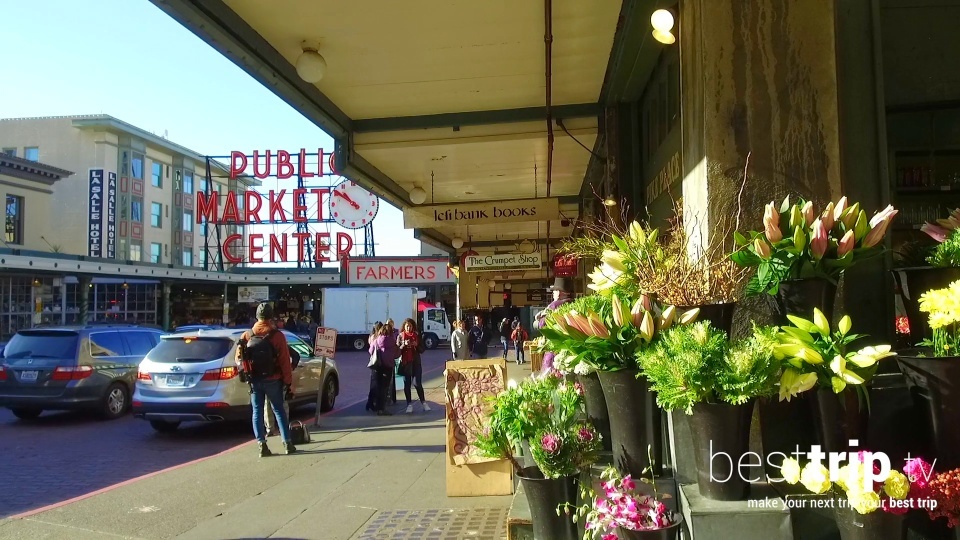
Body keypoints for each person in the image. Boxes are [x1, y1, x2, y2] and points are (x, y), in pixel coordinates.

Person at [236, 303, 297, 457]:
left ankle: (261, 445)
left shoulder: (247, 335)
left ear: (257, 317)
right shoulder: (277, 336)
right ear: (271, 317)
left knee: (257, 411)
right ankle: (287, 443)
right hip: (274, 379)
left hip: (255, 380)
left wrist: (246, 373)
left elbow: (238, 358)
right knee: (279, 410)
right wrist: (288, 382)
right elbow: (285, 361)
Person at [536, 278, 574, 373]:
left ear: (559, 292)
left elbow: (542, 325)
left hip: (555, 345)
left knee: (551, 373)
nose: (553, 293)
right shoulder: (573, 303)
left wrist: (540, 318)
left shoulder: (554, 305)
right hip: (571, 345)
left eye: (554, 291)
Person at [398, 318, 430, 413]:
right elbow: (397, 351)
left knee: (417, 383)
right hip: (405, 363)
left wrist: (416, 345)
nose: (408, 328)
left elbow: (422, 349)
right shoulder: (400, 336)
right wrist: (403, 344)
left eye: (410, 326)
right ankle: (409, 404)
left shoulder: (416, 335)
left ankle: (424, 403)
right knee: (407, 384)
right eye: (407, 326)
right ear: (404, 327)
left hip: (416, 362)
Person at [367, 324, 395, 416]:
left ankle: (376, 407)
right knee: (385, 388)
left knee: (378, 387)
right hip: (388, 367)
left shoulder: (376, 340)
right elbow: (397, 353)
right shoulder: (392, 341)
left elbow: (370, 351)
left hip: (378, 367)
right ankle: (382, 408)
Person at [365, 322, 384, 412]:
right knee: (376, 384)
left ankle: (370, 402)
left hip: (373, 362)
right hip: (377, 362)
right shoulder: (376, 337)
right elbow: (372, 350)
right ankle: (371, 402)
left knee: (373, 384)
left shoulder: (372, 336)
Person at [385, 318, 400, 404]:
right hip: (388, 359)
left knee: (392, 379)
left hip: (393, 357)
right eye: (388, 324)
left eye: (391, 324)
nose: (390, 326)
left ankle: (392, 397)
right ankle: (388, 398)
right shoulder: (385, 332)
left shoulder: (395, 332)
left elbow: (397, 341)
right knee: (388, 380)